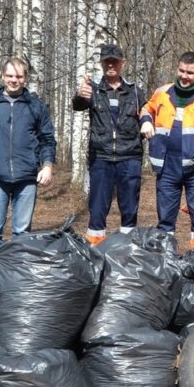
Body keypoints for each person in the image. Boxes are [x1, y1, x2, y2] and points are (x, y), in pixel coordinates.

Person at [0, 57, 57, 263]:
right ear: (2, 76)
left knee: (22, 233)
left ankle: (18, 280)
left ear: (25, 78)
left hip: (27, 178)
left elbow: (47, 140)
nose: (14, 80)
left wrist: (48, 166)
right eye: (10, 76)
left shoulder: (36, 107)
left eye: (18, 76)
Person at [139, 51, 194, 249]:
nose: (184, 76)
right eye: (181, 70)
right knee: (166, 220)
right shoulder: (162, 92)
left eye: (190, 73)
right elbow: (146, 108)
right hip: (166, 167)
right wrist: (145, 121)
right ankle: (165, 261)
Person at [72, 44, 146, 245]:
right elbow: (77, 106)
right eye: (107, 61)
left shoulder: (135, 92)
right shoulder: (93, 90)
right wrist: (80, 95)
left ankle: (128, 253)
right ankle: (95, 252)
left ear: (123, 63)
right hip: (101, 158)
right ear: (102, 64)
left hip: (129, 158)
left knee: (129, 209)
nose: (111, 65)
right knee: (97, 209)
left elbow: (147, 118)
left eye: (115, 61)